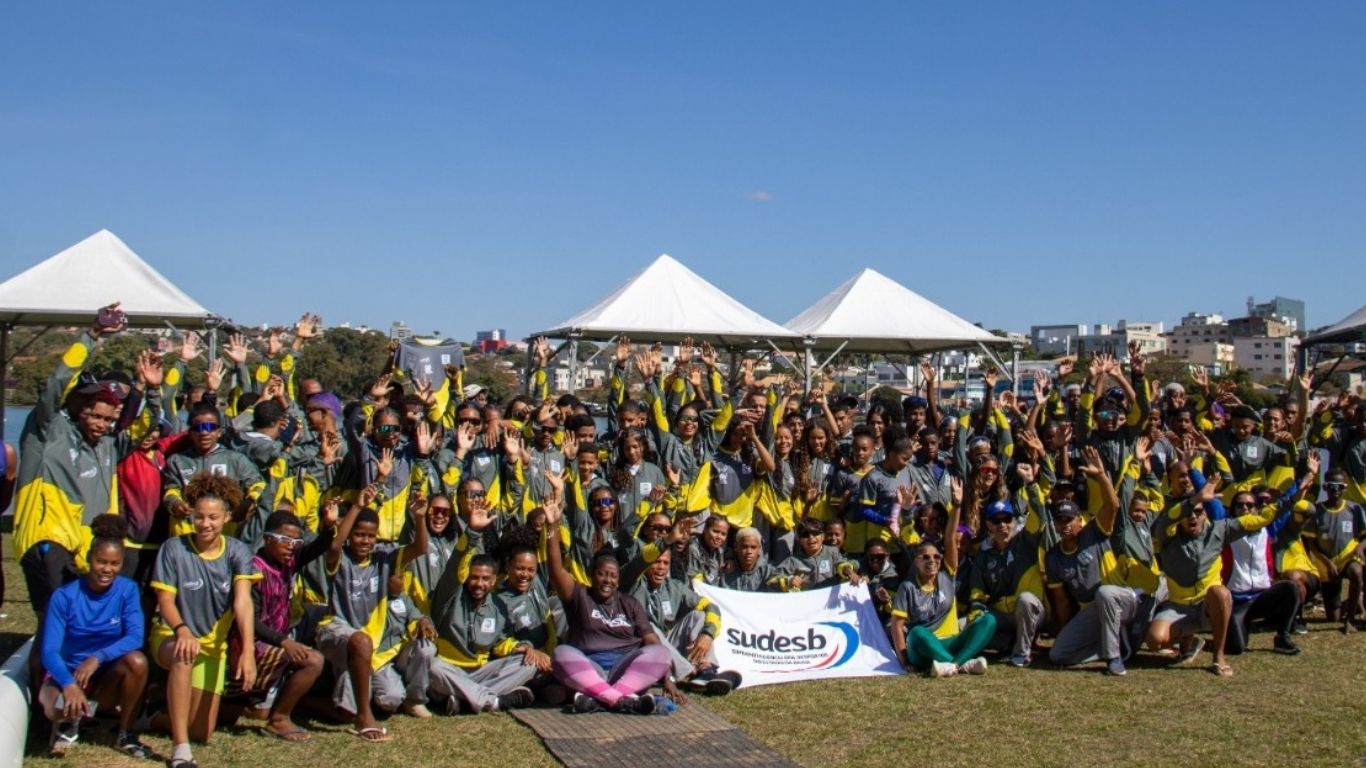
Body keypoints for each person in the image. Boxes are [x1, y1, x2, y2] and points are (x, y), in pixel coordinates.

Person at [1146, 454, 1319, 677]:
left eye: (1199, 512)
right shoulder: (1167, 534)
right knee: (1154, 641)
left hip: (1211, 606)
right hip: (1179, 606)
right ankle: (1189, 638)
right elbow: (1167, 517)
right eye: (1188, 513)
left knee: (1220, 593)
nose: (1193, 517)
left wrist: (1297, 491)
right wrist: (1194, 498)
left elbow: (1266, 516)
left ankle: (1218, 657)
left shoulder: (1221, 530)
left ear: (1205, 515)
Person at [149, 473, 260, 768]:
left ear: (226, 517)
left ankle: (153, 714)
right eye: (199, 517)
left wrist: (247, 651)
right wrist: (182, 630)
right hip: (172, 637)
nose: (205, 524)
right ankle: (180, 749)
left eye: (213, 517)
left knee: (203, 732)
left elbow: (243, 602)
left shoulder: (237, 551)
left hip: (212, 647)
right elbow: (165, 602)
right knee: (184, 654)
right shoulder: (173, 548)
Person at [541, 476, 672, 714]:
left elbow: (650, 639)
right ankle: (622, 699)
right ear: (592, 576)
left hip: (624, 668)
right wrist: (552, 527)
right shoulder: (579, 595)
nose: (607, 580)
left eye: (612, 576)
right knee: (561, 654)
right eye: (602, 575)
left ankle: (603, 697)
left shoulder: (629, 603)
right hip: (588, 666)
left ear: (619, 579)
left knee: (662, 652)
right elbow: (556, 568)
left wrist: (667, 676)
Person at [316, 483, 434, 741]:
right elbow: (334, 547)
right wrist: (358, 506)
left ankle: (319, 700)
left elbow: (420, 549)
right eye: (359, 534)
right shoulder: (341, 558)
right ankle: (362, 716)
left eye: (370, 536)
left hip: (374, 649)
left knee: (391, 699)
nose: (365, 541)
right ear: (350, 535)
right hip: (337, 631)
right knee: (359, 646)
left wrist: (419, 517)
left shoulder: (384, 557)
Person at [38, 515, 154, 758]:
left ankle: (126, 735)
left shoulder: (127, 590)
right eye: (101, 562)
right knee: (55, 708)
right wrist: (68, 684)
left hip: (103, 677)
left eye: (114, 563)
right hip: (65, 675)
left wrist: (97, 657)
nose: (107, 569)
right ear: (90, 559)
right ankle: (66, 723)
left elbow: (135, 637)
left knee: (137, 661)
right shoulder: (65, 596)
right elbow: (49, 650)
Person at [226, 508, 334, 742]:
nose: (291, 546)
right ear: (266, 538)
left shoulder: (288, 563)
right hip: (249, 646)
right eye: (285, 540)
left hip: (272, 644)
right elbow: (247, 620)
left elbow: (318, 548)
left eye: (295, 541)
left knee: (254, 711)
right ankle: (278, 719)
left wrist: (329, 525)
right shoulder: (254, 569)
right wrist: (284, 642)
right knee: (313, 660)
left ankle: (270, 711)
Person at [888, 478, 994, 677]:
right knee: (918, 632)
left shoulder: (948, 576)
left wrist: (956, 505)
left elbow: (949, 537)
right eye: (925, 557)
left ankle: (953, 665)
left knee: (988, 620)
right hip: (922, 649)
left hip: (951, 640)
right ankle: (961, 664)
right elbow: (897, 625)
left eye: (936, 557)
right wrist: (903, 661)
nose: (932, 560)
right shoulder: (908, 587)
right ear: (916, 561)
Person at [1045, 447, 1135, 676]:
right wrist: (1068, 632)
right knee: (1058, 654)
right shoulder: (1053, 556)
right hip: (1093, 611)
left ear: (1079, 520)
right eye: (1060, 520)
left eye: (1069, 520)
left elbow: (1112, 505)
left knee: (1104, 594)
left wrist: (1101, 475)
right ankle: (1108, 647)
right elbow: (1062, 602)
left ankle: (1114, 659)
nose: (1065, 525)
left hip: (1123, 598)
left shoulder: (1094, 532)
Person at [627, 546, 739, 695]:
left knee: (698, 616)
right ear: (646, 564)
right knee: (649, 627)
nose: (661, 568)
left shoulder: (674, 587)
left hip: (667, 645)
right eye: (656, 562)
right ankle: (690, 673)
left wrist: (708, 635)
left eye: (666, 563)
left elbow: (711, 607)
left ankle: (706, 669)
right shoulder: (634, 584)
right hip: (640, 648)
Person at [967, 491, 1047, 667]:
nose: (1002, 525)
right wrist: (977, 612)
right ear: (988, 524)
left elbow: (1039, 515)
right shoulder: (984, 552)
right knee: (966, 626)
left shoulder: (1026, 540)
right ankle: (1007, 642)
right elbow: (977, 588)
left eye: (1007, 519)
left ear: (1014, 520)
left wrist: (1031, 485)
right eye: (996, 521)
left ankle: (1021, 654)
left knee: (1025, 600)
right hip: (1001, 614)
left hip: (1030, 611)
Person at [1303, 467, 1366, 632]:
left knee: (1356, 572)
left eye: (1340, 486)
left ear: (1345, 487)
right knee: (1333, 617)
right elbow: (1311, 543)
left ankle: (1351, 620)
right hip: (1327, 562)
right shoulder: (1316, 511)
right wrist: (1327, 563)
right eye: (1331, 486)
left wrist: (1360, 547)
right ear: (1325, 487)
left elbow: (1364, 536)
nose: (1336, 490)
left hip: (1349, 557)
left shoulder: (1354, 509)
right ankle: (1354, 603)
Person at [770, 516, 860, 592]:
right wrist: (789, 580)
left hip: (831, 601)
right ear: (799, 540)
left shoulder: (832, 552)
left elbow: (842, 564)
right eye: (805, 534)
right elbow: (771, 580)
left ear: (823, 536)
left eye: (815, 533)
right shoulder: (793, 561)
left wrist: (848, 571)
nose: (811, 538)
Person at [721, 527, 777, 591]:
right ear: (736, 547)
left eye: (753, 547)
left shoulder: (768, 571)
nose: (749, 552)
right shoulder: (725, 568)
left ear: (759, 549)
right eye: (744, 547)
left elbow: (780, 582)